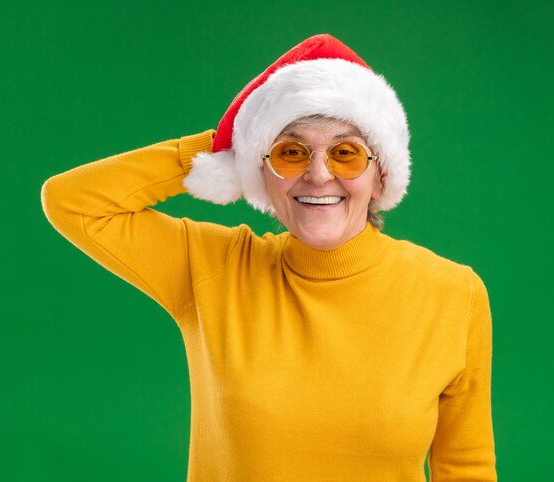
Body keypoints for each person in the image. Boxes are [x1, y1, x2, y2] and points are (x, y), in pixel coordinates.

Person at [41, 34, 497, 481]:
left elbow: (466, 469)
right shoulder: (213, 267)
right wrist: (220, 148)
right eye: (291, 152)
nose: (318, 175)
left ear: (382, 177)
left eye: (346, 153)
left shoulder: (455, 294)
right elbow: (73, 202)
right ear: (261, 172)